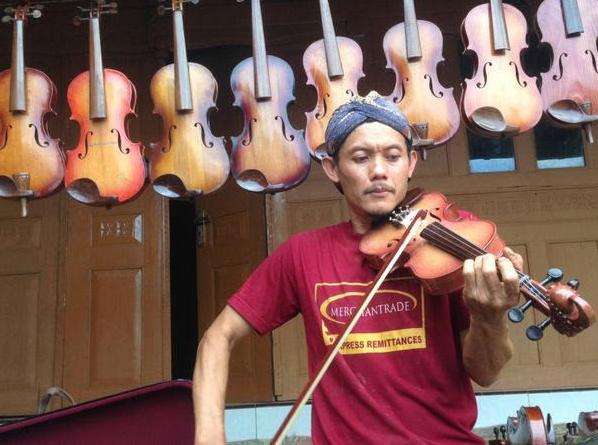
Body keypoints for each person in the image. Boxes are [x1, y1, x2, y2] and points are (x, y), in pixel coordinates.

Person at [192, 92, 522, 444]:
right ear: (333, 168)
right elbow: (217, 338)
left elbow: (486, 374)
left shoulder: (453, 244)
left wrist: (490, 318)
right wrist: (210, 435)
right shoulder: (302, 254)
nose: (379, 170)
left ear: (411, 164)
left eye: (393, 157)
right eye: (360, 158)